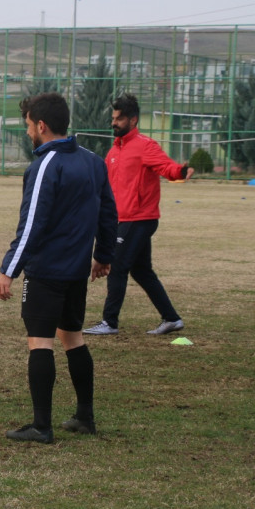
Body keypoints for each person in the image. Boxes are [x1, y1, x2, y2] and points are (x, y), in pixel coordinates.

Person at [0, 93, 117, 443]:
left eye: (29, 125)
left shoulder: (45, 165)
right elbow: (108, 212)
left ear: (42, 125)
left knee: (41, 343)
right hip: (77, 271)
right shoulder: (93, 161)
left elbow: (32, 225)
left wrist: (8, 271)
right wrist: (104, 255)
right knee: (73, 338)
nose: (28, 131)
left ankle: (41, 427)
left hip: (46, 272)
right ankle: (84, 416)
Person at [84, 93, 193, 336]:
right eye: (113, 118)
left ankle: (109, 322)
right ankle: (172, 319)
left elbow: (167, 167)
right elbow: (107, 187)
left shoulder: (146, 146)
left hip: (140, 219)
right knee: (142, 271)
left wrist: (179, 171)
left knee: (117, 265)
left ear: (133, 121)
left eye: (119, 119)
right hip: (122, 220)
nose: (114, 122)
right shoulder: (113, 151)